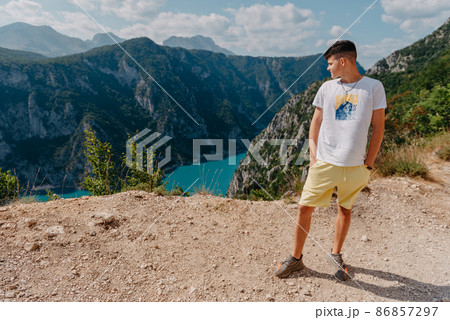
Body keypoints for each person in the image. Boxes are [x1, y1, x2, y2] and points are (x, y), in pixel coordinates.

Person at [275, 40, 386, 280]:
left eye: (330, 63)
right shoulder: (326, 88)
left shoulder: (374, 87)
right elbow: (315, 123)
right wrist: (314, 157)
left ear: (343, 61)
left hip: (356, 167)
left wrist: (368, 163)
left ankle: (335, 255)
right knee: (304, 207)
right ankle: (296, 259)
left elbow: (378, 128)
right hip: (324, 163)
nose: (328, 68)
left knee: (345, 210)